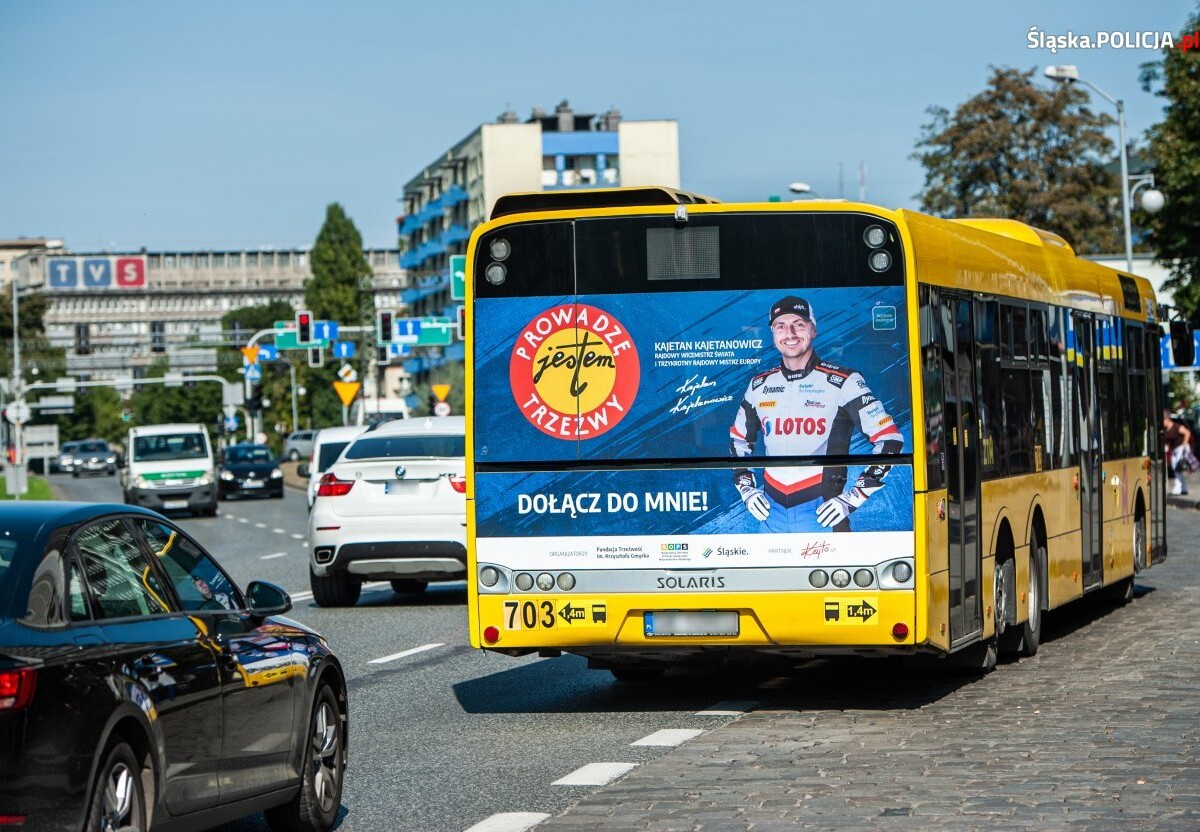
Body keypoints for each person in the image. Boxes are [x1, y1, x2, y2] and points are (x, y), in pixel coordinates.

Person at [730, 296, 904, 532]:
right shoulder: (758, 385)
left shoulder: (845, 381)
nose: (790, 333)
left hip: (823, 516)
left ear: (813, 329)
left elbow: (889, 440)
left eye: (799, 324)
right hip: (771, 516)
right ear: (773, 334)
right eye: (781, 326)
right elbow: (739, 441)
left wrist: (854, 497)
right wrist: (747, 490)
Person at [1164, 409, 1193, 496]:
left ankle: (1177, 488)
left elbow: (1187, 433)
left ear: (1167, 419)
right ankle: (1184, 488)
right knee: (1177, 469)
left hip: (1181, 449)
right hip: (1175, 450)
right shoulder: (1166, 429)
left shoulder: (1176, 426)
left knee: (1177, 469)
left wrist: (1184, 445)